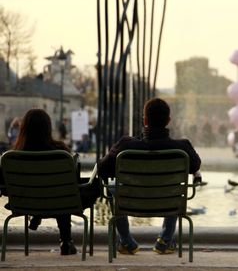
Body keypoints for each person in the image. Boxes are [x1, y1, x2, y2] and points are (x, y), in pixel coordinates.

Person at [98, 98, 201, 255]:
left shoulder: (125, 145)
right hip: (167, 200)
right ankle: (165, 241)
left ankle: (126, 241)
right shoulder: (182, 147)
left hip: (131, 200)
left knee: (113, 188)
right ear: (168, 121)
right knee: (174, 188)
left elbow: (103, 170)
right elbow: (195, 166)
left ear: (145, 120)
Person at [2, 109, 100, 255]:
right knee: (63, 190)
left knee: (54, 190)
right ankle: (66, 240)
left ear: (23, 128)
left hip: (25, 203)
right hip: (60, 201)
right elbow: (71, 182)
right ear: (48, 128)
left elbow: (3, 184)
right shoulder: (60, 151)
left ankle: (37, 215)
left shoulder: (12, 157)